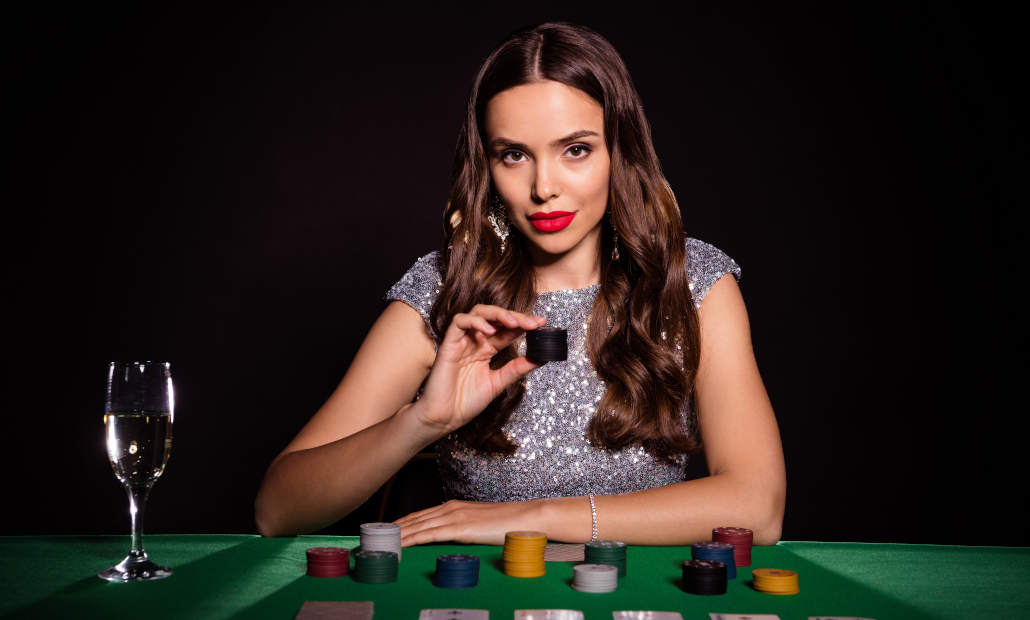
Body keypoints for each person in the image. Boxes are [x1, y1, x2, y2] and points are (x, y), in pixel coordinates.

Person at [254, 21, 785, 547]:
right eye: (514, 154)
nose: (543, 187)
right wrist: (420, 422)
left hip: (641, 599)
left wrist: (535, 517)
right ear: (486, 167)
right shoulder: (445, 293)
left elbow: (757, 507)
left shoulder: (690, 284)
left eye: (575, 149)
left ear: (618, 153)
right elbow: (277, 510)